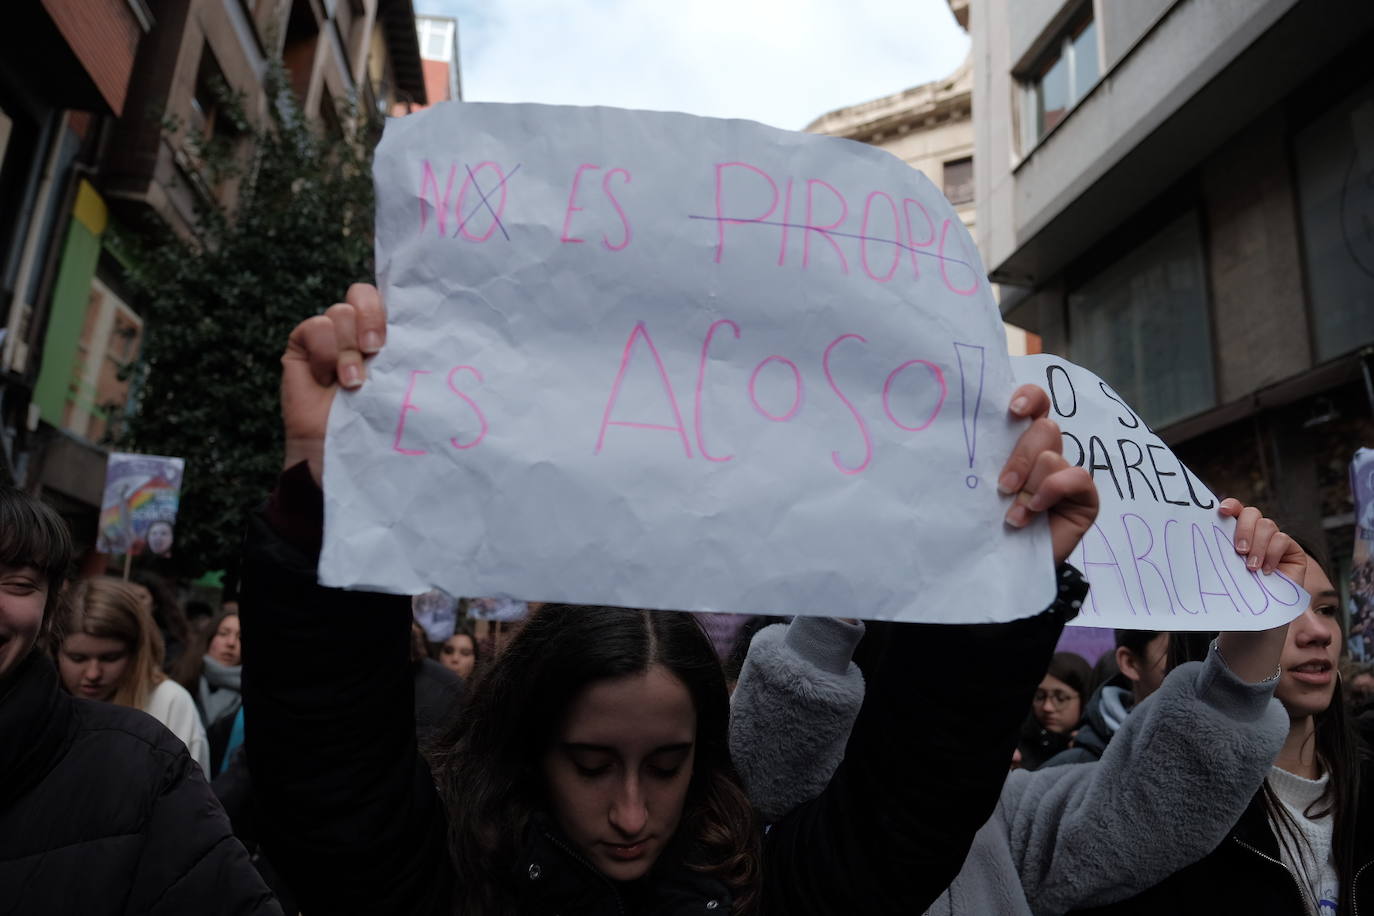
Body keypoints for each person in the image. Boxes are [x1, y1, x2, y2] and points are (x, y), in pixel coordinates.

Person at [239, 284, 1100, 915]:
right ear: (530, 744)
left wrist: (1001, 584)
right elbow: (328, 774)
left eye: (665, 766)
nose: (629, 813)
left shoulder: (762, 893)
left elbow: (911, 806)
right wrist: (326, 500)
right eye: (589, 764)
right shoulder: (443, 886)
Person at [730, 499, 1304, 916]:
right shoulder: (734, 843)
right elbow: (775, 777)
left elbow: (1147, 808)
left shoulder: (1001, 825)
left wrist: (1256, 630)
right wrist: (841, 588)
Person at [0, 485, 279, 913]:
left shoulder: (148, 761)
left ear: (50, 607)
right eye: (79, 658)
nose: (92, 674)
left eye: (18, 584)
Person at [1080, 554, 1372, 915]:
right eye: (1279, 605)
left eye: (1327, 609)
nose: (1319, 632)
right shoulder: (1163, 819)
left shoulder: (1365, 778)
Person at [53, 576, 212, 773]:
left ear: (136, 653)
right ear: (56, 652)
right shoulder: (41, 703)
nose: (93, 673)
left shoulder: (170, 702)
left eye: (110, 658)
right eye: (78, 658)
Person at [1040, 627, 1168, 767]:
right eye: (1175, 652)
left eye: (1061, 698)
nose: (1048, 707)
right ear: (1130, 663)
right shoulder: (1065, 772)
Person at [175, 609, 244, 774]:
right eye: (223, 633)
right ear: (209, 638)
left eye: (241, 637)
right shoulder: (181, 683)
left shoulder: (253, 698)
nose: (231, 643)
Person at [1018, 651, 1091, 769]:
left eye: (1060, 698)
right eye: (1040, 696)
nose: (1047, 707)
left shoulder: (1097, 750)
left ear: (1084, 699)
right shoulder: (1019, 749)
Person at [129, 569, 192, 672]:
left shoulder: (170, 639)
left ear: (155, 603)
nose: (135, 602)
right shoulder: (116, 629)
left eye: (142, 597)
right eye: (130, 596)